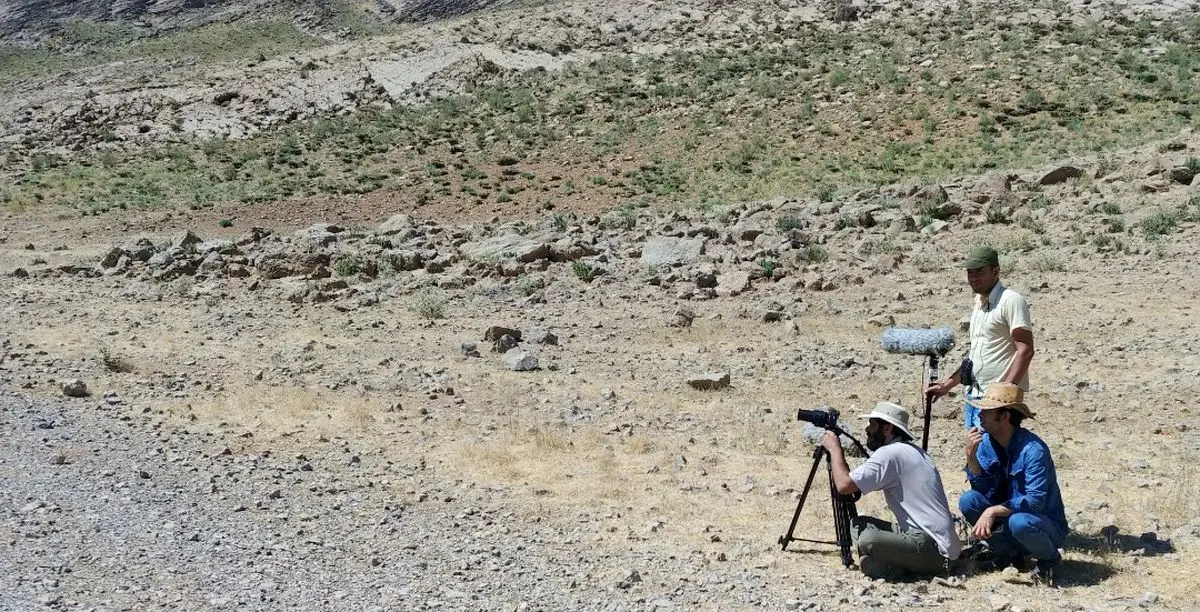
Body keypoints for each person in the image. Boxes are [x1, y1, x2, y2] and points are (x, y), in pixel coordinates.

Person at [820, 402, 961, 579]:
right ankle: (895, 563)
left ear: (887, 429)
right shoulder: (912, 451)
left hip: (934, 551)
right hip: (932, 541)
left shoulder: (890, 454)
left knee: (868, 539)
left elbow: (844, 486)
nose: (867, 430)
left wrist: (834, 449)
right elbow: (851, 484)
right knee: (858, 524)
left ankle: (897, 568)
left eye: (872, 424)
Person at [959, 382, 1067, 586]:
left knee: (1020, 521)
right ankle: (1008, 555)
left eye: (987, 411)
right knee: (969, 501)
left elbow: (1034, 502)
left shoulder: (1034, 450)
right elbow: (982, 492)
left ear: (1005, 416)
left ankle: (1049, 559)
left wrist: (992, 512)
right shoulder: (986, 443)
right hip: (1009, 520)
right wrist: (971, 458)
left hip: (1041, 524)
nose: (980, 415)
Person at [926, 245, 1035, 431]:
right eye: (970, 272)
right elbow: (976, 356)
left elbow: (1025, 350)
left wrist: (1003, 393)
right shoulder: (979, 303)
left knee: (992, 455)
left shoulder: (1010, 301)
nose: (973, 278)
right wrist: (947, 385)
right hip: (974, 396)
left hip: (997, 402)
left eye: (979, 272)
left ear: (996, 271)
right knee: (975, 452)